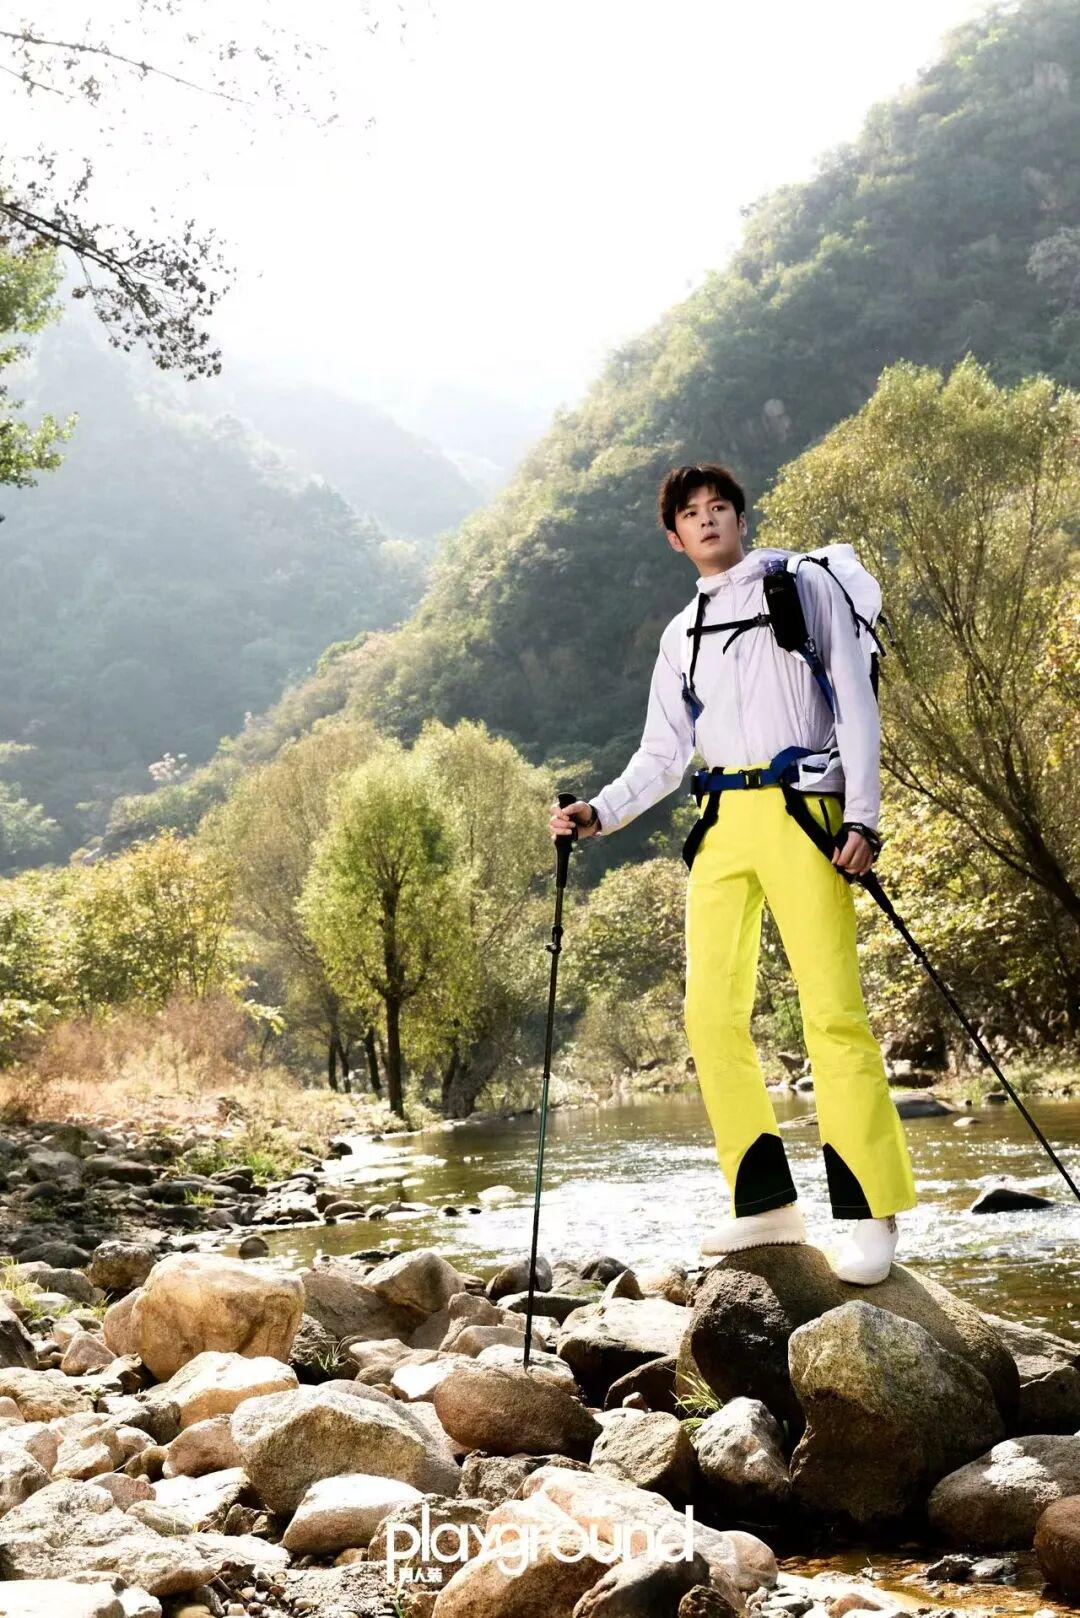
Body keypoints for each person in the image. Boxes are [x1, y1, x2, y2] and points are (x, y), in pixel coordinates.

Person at [548, 462, 917, 1285]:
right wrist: (599, 813)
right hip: (722, 827)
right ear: (674, 537)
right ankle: (766, 1205)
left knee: (832, 1013)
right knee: (710, 1014)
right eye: (692, 513)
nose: (708, 519)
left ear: (739, 519)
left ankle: (871, 1212)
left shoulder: (802, 587)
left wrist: (863, 816)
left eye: (720, 507)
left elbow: (855, 701)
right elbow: (662, 754)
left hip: (802, 812)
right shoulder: (682, 633)